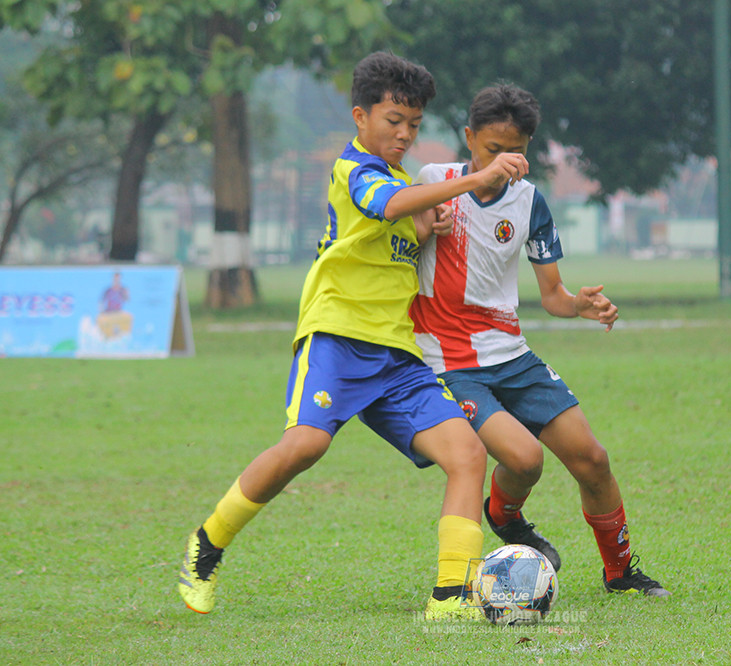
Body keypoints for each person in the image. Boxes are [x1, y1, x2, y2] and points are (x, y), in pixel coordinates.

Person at [177, 53, 531, 620]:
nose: (404, 134)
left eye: (414, 124)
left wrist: (426, 225)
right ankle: (207, 545)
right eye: (393, 120)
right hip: (336, 339)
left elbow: (400, 224)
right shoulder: (354, 170)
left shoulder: (399, 181)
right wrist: (476, 178)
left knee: (467, 454)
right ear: (360, 117)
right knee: (305, 447)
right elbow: (384, 204)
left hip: (397, 356)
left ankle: (451, 598)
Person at [410, 84, 669, 597]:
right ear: (468, 138)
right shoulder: (434, 182)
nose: (507, 163)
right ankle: (506, 517)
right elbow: (401, 235)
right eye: (493, 151)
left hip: (513, 355)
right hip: (451, 362)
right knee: (526, 459)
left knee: (592, 458)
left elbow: (551, 293)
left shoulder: (531, 202)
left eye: (518, 152)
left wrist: (580, 304)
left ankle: (619, 574)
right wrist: (424, 225)